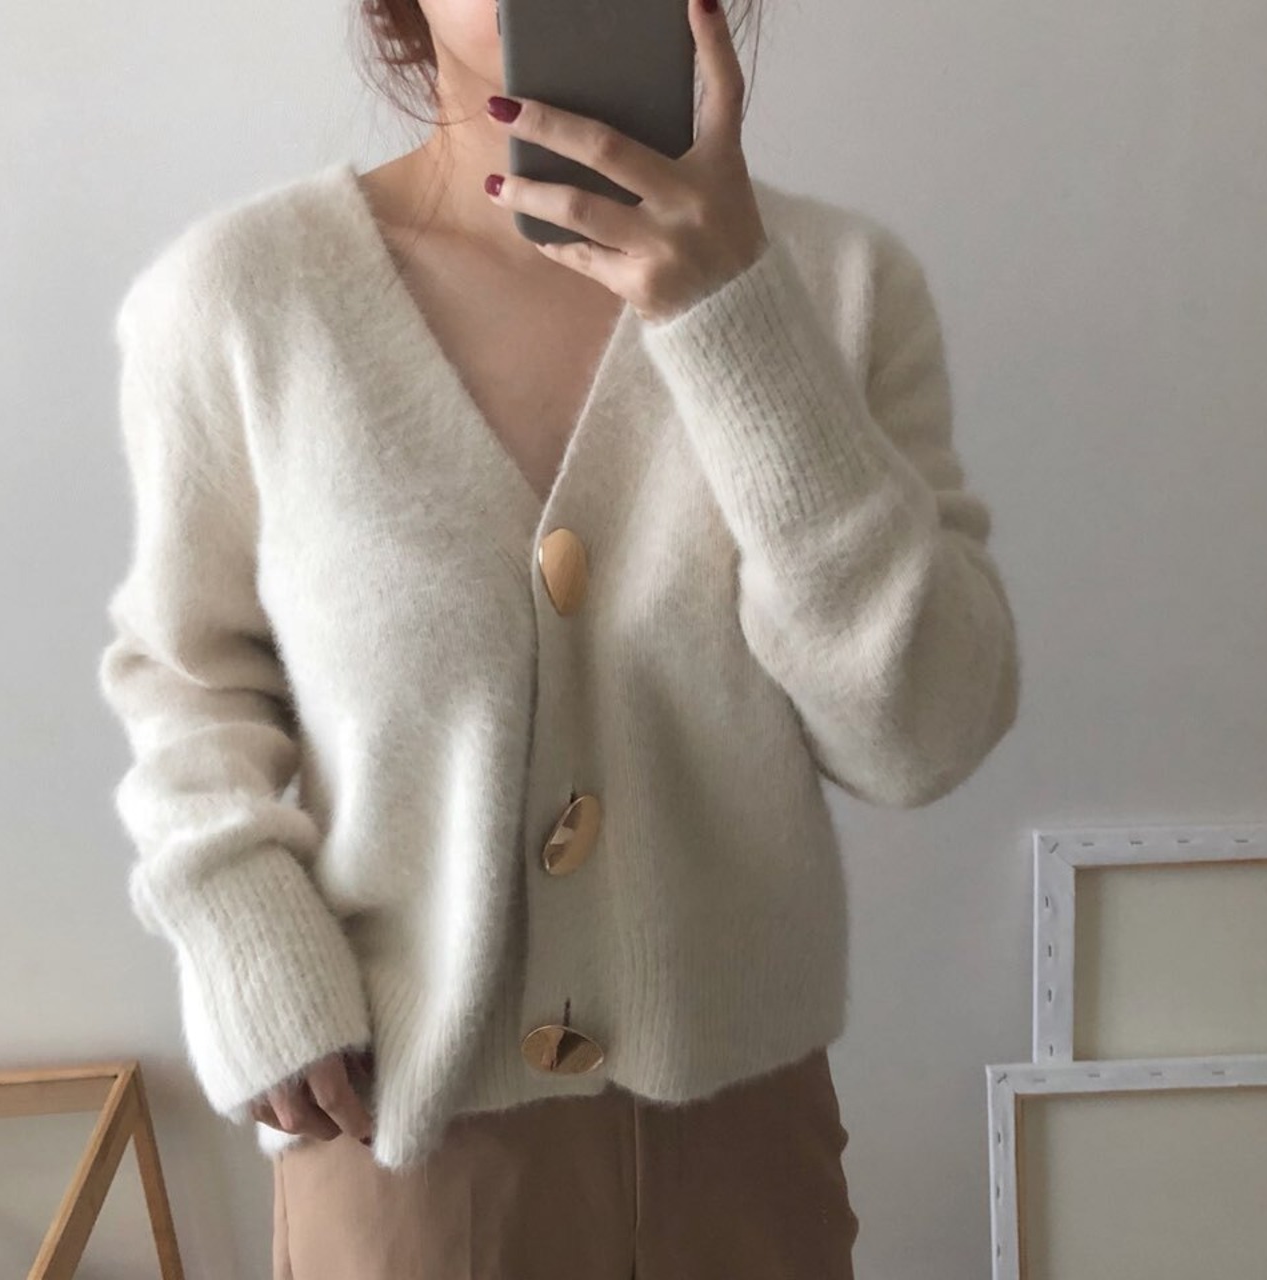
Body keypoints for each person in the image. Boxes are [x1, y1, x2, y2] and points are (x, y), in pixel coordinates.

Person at [96, 0, 1021, 1275]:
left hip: (741, 1148)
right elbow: (188, 678)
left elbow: (921, 732)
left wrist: (734, 320)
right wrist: (250, 948)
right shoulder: (242, 297)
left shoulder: (843, 288)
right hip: (401, 1137)